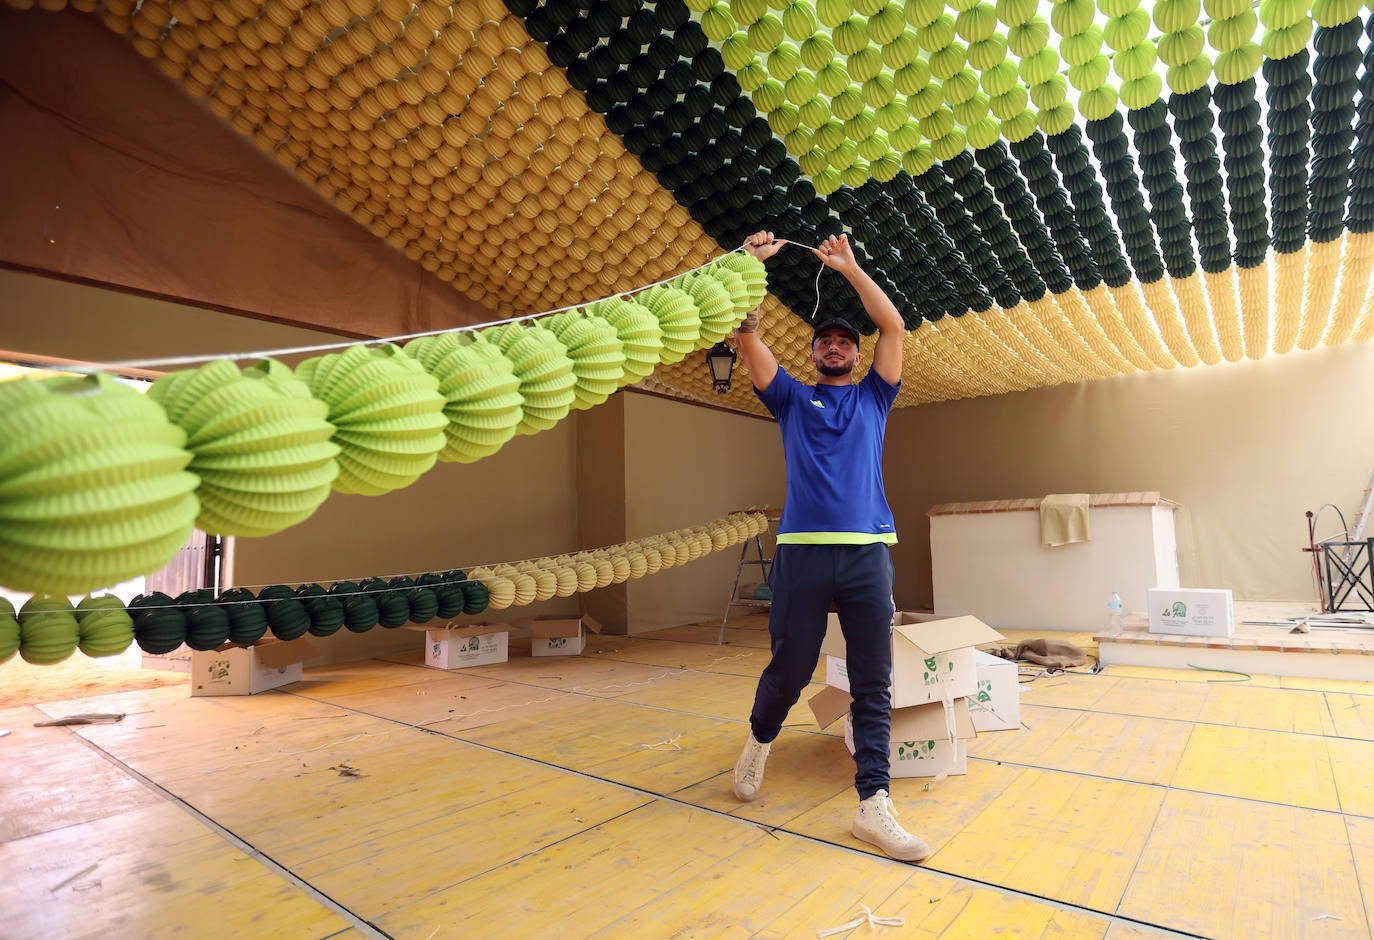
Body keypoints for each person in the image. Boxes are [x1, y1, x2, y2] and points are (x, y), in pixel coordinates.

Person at [729, 230, 929, 863]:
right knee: (790, 666)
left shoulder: (877, 394)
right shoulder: (791, 398)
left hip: (867, 553)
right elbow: (748, 337)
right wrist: (748, 270)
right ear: (815, 353)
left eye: (845, 339)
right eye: (826, 340)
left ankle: (873, 804)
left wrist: (850, 266)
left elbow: (893, 328)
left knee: (873, 679)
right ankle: (760, 740)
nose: (836, 345)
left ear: (854, 352)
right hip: (803, 554)